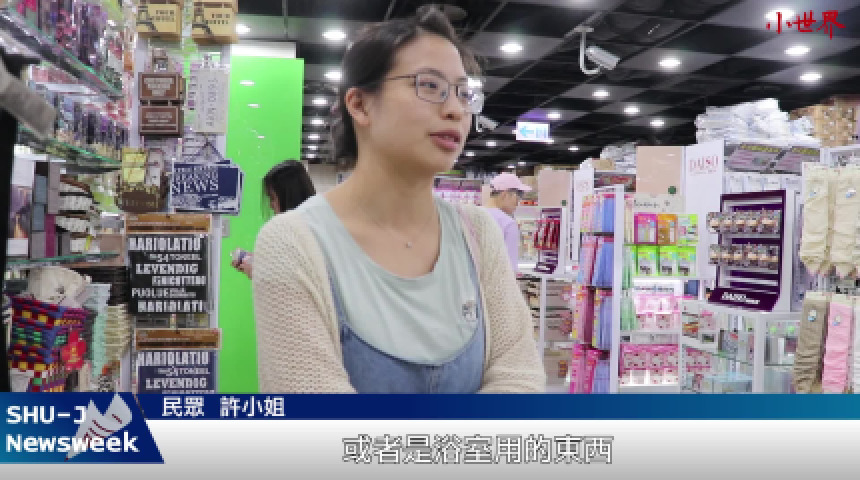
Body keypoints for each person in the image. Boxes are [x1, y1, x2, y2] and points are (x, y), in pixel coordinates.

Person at [252, 6, 545, 393]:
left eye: (463, 93)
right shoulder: (293, 243)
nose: (455, 110)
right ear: (359, 104)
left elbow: (519, 378)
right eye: (430, 86)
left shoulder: (478, 235)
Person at [231, 160, 316, 278]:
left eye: (273, 198)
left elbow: (292, 282)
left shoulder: (301, 235)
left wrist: (260, 275)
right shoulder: (307, 229)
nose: (271, 205)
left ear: (288, 197)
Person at [485, 173, 532, 270]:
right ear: (505, 194)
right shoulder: (507, 223)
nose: (518, 202)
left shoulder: (474, 215)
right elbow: (510, 267)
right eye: (518, 195)